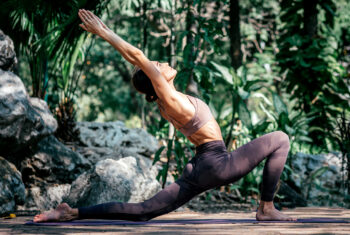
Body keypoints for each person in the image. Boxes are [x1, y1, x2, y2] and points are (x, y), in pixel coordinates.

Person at [33, 9, 297, 222]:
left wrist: (124, 49)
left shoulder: (166, 100)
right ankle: (266, 207)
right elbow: (137, 55)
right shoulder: (168, 98)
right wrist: (103, 31)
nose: (162, 64)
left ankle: (71, 212)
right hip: (217, 163)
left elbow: (135, 59)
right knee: (281, 139)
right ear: (154, 79)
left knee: (145, 210)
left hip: (203, 165)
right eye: (157, 66)